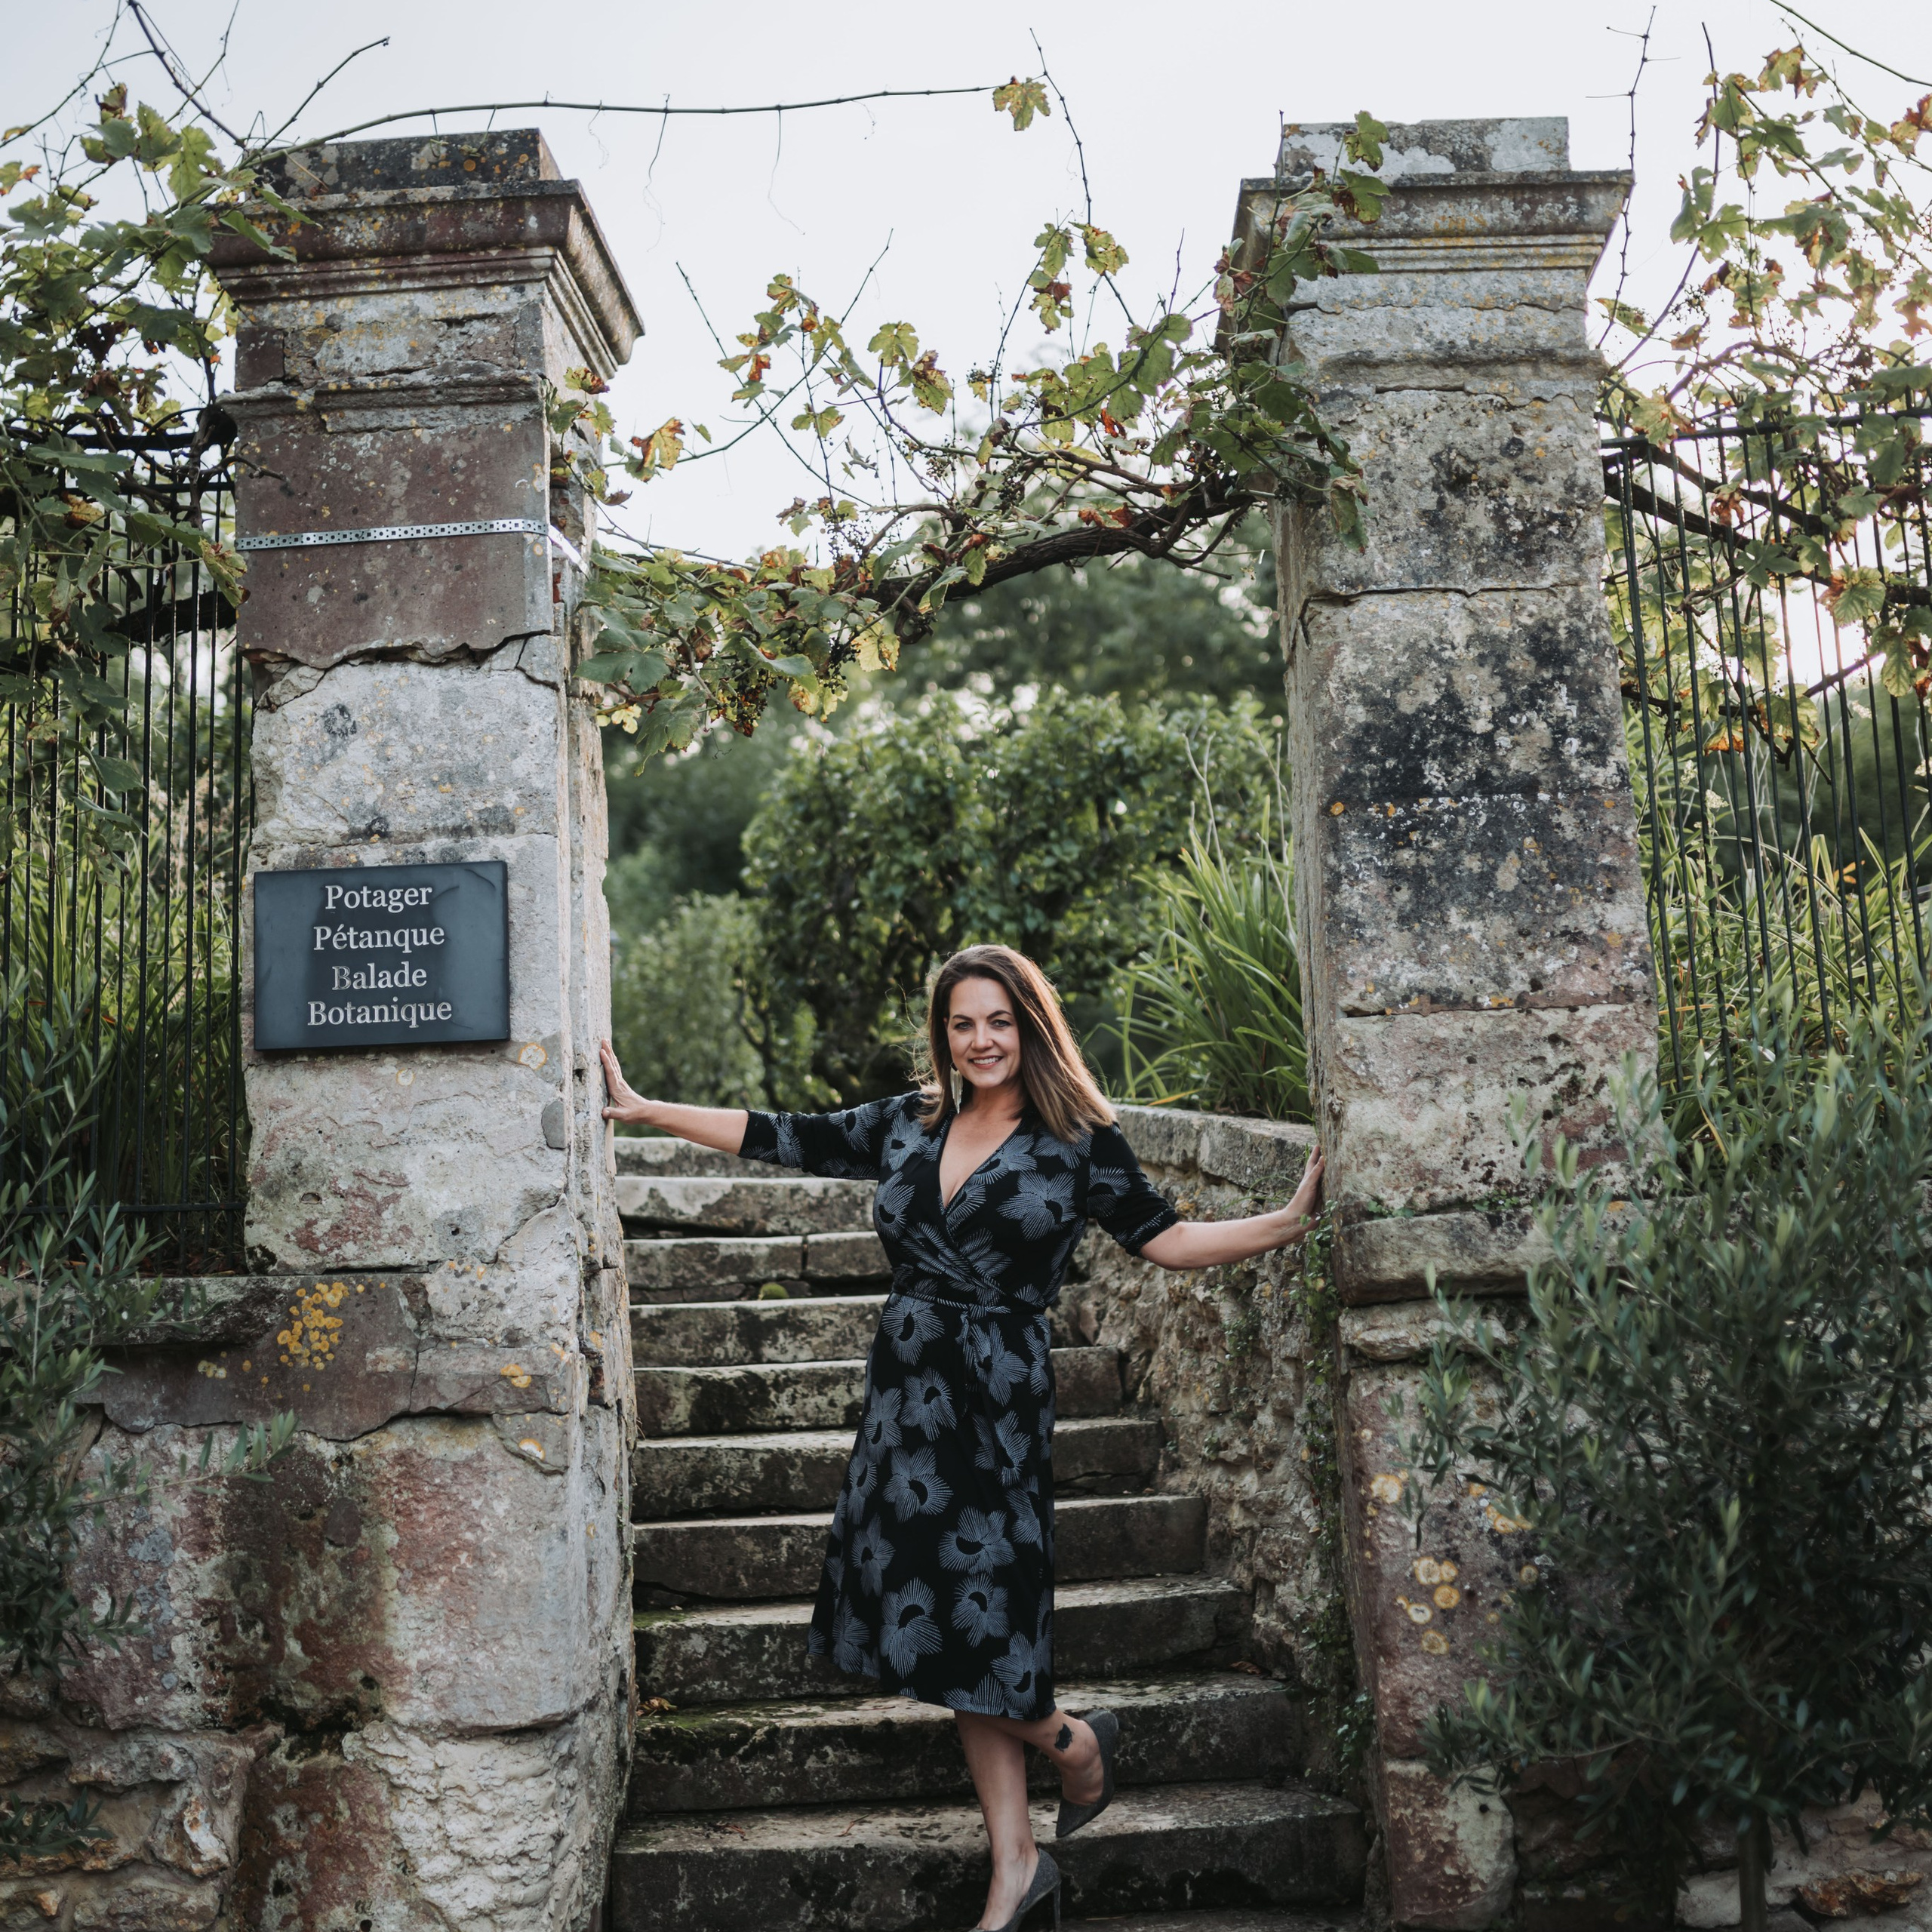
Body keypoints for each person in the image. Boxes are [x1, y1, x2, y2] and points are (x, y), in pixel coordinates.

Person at [600, 943, 1324, 1932]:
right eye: (961, 1023)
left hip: (996, 1400)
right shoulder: (911, 1121)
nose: (980, 1040)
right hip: (906, 1399)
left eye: (998, 1021)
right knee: (934, 1623)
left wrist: (1283, 1223)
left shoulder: (1077, 1138)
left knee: (982, 1618)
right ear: (943, 1036)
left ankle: (1063, 1754)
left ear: (1029, 1026)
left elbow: (1164, 1240)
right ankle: (1024, 1848)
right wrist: (648, 1109)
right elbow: (783, 1135)